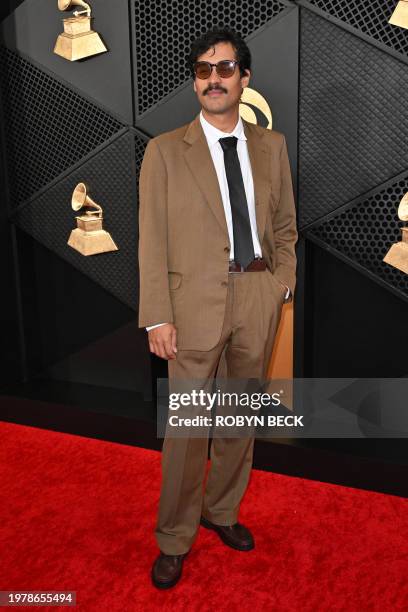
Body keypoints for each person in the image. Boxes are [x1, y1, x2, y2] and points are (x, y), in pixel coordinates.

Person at [138, 27, 298, 589]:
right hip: (191, 307)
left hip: (256, 298)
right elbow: (151, 241)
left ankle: (222, 511)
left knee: (236, 421)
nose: (214, 79)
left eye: (224, 69)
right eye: (204, 70)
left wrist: (280, 284)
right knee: (186, 430)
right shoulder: (163, 151)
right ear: (195, 81)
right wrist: (157, 315)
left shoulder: (271, 146)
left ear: (244, 78)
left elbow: (283, 227)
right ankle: (175, 537)